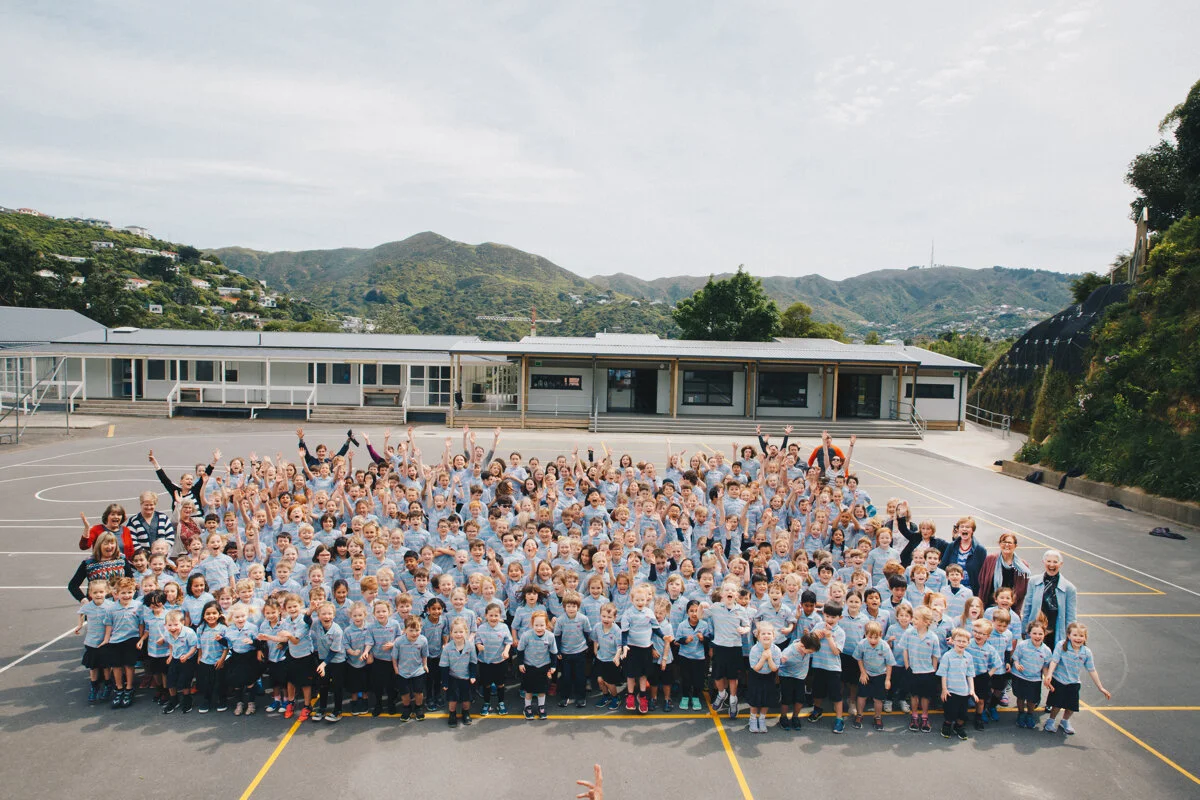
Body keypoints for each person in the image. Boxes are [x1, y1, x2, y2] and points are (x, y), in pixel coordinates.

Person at [1043, 622, 1111, 735]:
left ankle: (1065, 721)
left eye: (1081, 636)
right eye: (1075, 635)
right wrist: (1049, 674)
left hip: (1073, 682)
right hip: (1059, 680)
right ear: (1069, 636)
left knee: (1071, 706)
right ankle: (1051, 720)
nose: (1078, 638)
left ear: (1085, 638)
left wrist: (1101, 687)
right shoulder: (1061, 645)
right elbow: (1054, 661)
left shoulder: (1086, 652)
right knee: (1057, 704)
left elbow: (1092, 670)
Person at [1022, 550, 1078, 646]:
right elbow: (1028, 607)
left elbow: (1070, 616)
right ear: (1043, 562)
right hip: (1036, 630)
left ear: (1061, 564)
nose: (1051, 564)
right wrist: (1024, 628)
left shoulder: (1069, 588)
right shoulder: (1033, 582)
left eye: (1055, 562)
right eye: (1048, 561)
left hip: (1055, 630)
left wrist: (1070, 635)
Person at [937, 627, 977, 740]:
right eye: (958, 640)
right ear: (953, 641)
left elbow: (970, 674)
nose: (961, 643)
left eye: (964, 641)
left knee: (962, 714)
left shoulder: (968, 657)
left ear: (968, 643)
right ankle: (947, 726)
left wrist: (972, 690)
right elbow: (943, 674)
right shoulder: (947, 656)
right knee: (950, 713)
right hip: (951, 691)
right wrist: (944, 689)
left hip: (964, 692)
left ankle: (958, 727)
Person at [68, 533, 132, 602]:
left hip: (119, 605)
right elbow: (73, 585)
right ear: (99, 545)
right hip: (97, 606)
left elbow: (131, 580)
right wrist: (83, 599)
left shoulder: (121, 559)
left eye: (112, 543)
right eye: (106, 544)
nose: (109, 546)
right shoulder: (89, 563)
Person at [978, 531, 1031, 610]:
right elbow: (982, 580)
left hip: (1010, 606)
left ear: (1015, 546)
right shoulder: (990, 560)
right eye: (1004, 542)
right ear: (999, 544)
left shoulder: (1022, 566)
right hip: (990, 604)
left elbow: (1022, 590)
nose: (1006, 545)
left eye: (1010, 543)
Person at [745, 621, 781, 734]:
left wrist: (769, 658)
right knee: (755, 700)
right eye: (763, 633)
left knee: (766, 700)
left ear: (773, 636)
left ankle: (762, 718)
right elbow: (755, 668)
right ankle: (752, 719)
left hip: (769, 677)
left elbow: (775, 668)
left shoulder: (776, 650)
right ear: (758, 636)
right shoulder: (755, 650)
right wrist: (763, 658)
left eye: (769, 633)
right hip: (756, 677)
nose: (766, 635)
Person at [937, 516, 987, 592]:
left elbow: (984, 575)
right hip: (952, 589)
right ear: (958, 529)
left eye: (967, 527)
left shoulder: (980, 550)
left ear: (972, 530)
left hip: (972, 591)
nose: (964, 529)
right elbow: (942, 567)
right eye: (962, 527)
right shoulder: (951, 546)